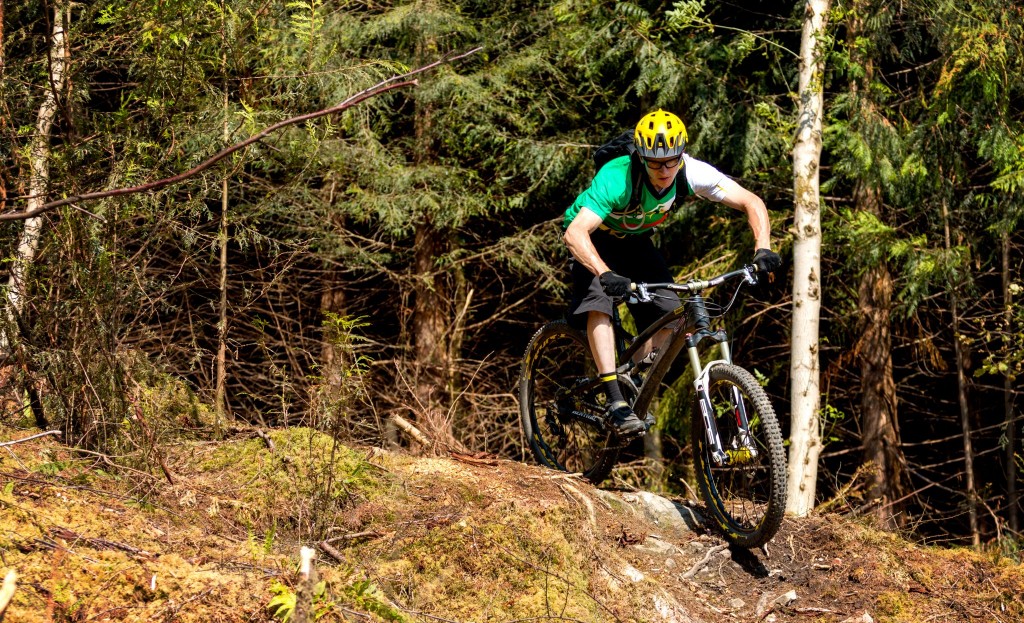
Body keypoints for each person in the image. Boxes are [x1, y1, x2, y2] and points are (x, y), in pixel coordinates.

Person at [562, 109, 782, 436]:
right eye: (655, 163)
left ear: (680, 155)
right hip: (595, 242)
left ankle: (630, 375)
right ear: (641, 157)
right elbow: (575, 233)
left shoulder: (690, 172)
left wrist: (762, 247)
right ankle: (614, 398)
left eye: (671, 161)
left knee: (674, 317)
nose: (664, 171)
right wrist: (605, 273)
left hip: (636, 242)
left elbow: (751, 201)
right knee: (600, 302)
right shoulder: (618, 177)